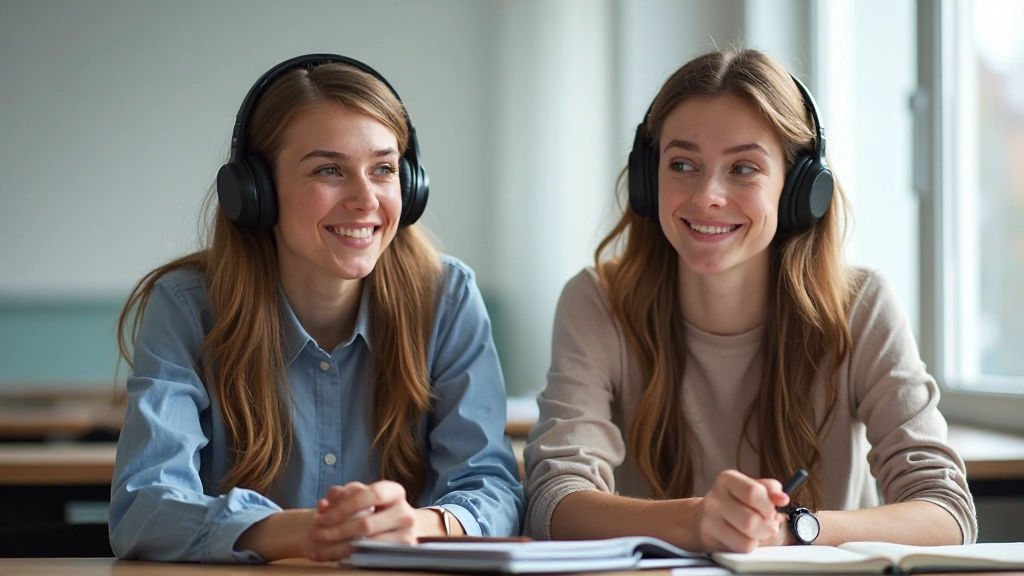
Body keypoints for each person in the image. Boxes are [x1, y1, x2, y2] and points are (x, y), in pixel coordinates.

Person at [523, 48, 976, 553]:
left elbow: (946, 510)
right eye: (682, 164)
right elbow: (553, 501)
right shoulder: (598, 302)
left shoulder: (861, 305)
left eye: (743, 168)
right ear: (649, 180)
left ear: (799, 188)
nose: (708, 196)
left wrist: (793, 529)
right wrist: (697, 521)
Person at [109, 54, 524, 563]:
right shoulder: (187, 307)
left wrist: (421, 523)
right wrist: (304, 532)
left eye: (384, 169)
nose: (365, 199)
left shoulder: (447, 297)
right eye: (329, 170)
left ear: (410, 186)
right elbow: (144, 505)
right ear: (255, 192)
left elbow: (493, 486)